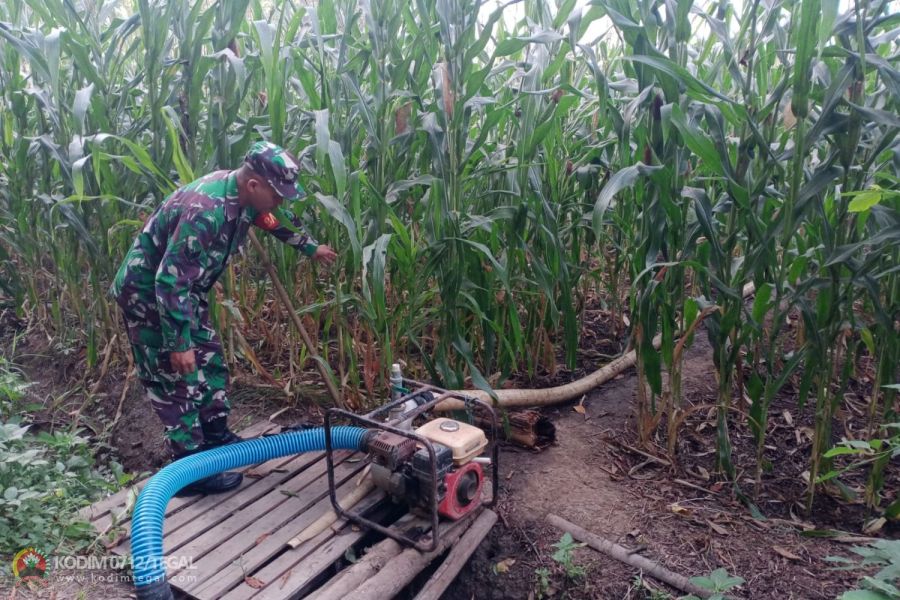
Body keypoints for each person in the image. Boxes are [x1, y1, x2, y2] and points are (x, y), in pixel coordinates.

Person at [110, 141, 337, 495]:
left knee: (211, 360)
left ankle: (215, 435)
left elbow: (271, 220)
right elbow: (168, 280)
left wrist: (309, 246)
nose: (281, 202)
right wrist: (178, 343)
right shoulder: (206, 211)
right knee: (176, 377)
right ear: (253, 185)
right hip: (151, 297)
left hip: (187, 293)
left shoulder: (247, 201)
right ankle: (188, 468)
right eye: (277, 195)